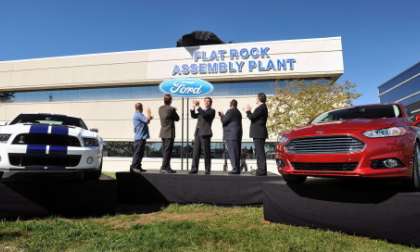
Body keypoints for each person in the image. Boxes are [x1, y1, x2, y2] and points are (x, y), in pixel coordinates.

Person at [190, 97, 215, 175]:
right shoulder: (201, 111)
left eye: (208, 101)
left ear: (211, 103)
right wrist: (193, 108)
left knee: (206, 153)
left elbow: (205, 115)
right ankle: (194, 169)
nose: (207, 102)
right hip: (198, 133)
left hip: (205, 133)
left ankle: (207, 169)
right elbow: (194, 116)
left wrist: (198, 106)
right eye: (206, 101)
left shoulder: (212, 111)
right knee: (196, 152)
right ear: (204, 102)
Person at [245, 93, 268, 176]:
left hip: (259, 133)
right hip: (259, 133)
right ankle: (260, 170)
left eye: (256, 98)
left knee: (260, 153)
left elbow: (252, 117)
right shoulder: (262, 107)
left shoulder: (261, 107)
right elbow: (254, 117)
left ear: (259, 98)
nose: (256, 99)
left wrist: (248, 111)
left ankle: (262, 171)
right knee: (258, 152)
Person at [219, 99, 243, 175]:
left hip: (231, 135)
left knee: (232, 152)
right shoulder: (238, 112)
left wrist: (222, 115)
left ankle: (235, 169)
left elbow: (224, 121)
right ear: (236, 104)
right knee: (237, 152)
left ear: (230, 104)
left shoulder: (230, 111)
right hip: (237, 134)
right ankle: (237, 168)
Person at [158, 94, 179, 174]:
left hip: (163, 132)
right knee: (168, 151)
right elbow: (177, 118)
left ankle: (167, 167)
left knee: (165, 151)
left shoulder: (160, 108)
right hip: (169, 133)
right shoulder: (171, 109)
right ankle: (164, 167)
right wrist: (174, 110)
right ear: (170, 101)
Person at [130, 102, 153, 173]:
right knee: (137, 153)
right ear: (140, 108)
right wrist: (149, 114)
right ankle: (134, 167)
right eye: (142, 107)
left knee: (140, 153)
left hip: (141, 137)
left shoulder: (139, 115)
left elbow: (147, 121)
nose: (143, 109)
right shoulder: (138, 115)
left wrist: (149, 118)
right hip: (139, 138)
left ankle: (138, 166)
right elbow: (147, 120)